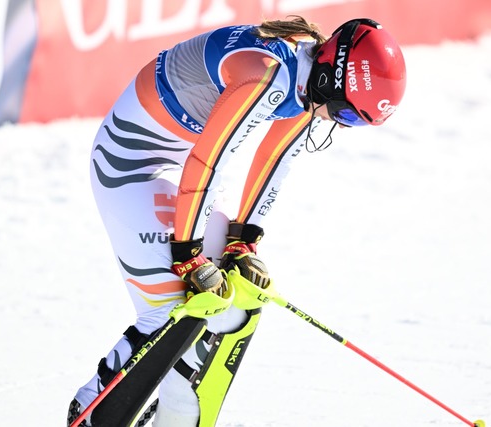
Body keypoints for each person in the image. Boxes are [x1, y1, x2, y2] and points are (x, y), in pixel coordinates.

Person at [67, 15, 406, 427]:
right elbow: (209, 161)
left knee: (237, 305)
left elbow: (275, 160)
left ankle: (178, 416)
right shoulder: (265, 75)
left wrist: (244, 241)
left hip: (173, 169)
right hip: (127, 168)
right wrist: (189, 255)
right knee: (173, 314)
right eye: (345, 114)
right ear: (332, 79)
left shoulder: (308, 74)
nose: (336, 123)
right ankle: (92, 413)